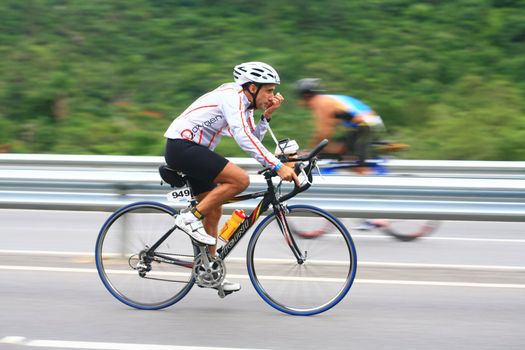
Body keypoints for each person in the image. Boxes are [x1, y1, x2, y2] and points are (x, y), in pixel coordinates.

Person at [164, 62, 299, 293]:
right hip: (182, 146)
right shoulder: (232, 96)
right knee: (239, 181)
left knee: (214, 209)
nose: (272, 96)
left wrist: (266, 117)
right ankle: (189, 219)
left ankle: (209, 271)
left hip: (195, 151)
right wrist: (276, 165)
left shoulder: (245, 105)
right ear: (253, 87)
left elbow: (252, 135)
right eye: (268, 91)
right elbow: (243, 138)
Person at [296, 78, 385, 172]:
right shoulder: (326, 100)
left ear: (306, 96)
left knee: (356, 162)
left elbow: (323, 133)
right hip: (362, 125)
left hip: (365, 124)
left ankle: (367, 177)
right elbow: (330, 127)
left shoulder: (321, 103)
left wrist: (311, 151)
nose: (301, 103)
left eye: (301, 99)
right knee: (339, 150)